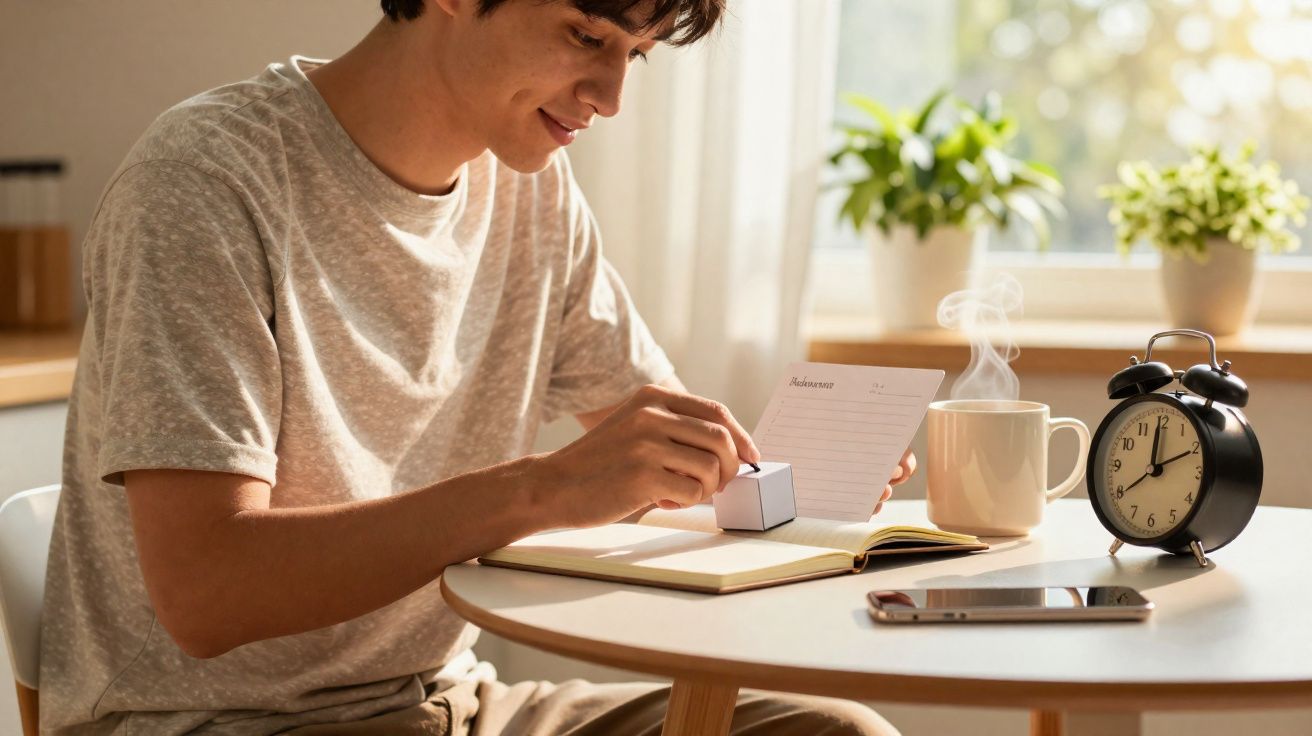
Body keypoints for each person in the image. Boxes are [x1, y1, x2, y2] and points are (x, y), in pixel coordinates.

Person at [39, 0, 915, 733]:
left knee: (837, 732)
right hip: (223, 723)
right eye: (587, 35)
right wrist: (541, 489)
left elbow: (657, 458)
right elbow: (206, 593)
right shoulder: (203, 181)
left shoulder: (531, 192)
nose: (611, 97)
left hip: (451, 705)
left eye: (635, 56)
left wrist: (790, 480)